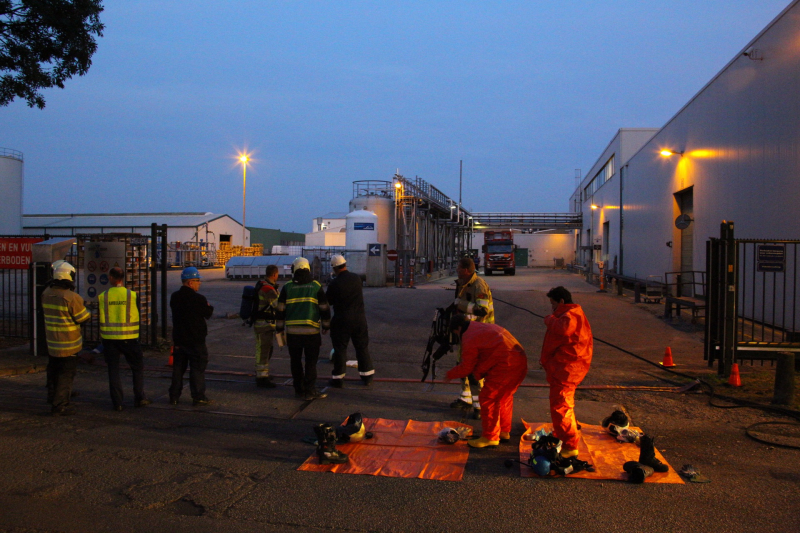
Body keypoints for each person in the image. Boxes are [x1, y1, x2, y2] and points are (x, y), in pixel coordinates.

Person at [445, 314, 528, 448]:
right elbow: (489, 354)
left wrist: (450, 374)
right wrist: (477, 374)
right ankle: (503, 431)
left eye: (456, 333)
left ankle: (490, 437)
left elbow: (467, 366)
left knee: (488, 398)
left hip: (505, 365)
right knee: (504, 397)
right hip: (518, 360)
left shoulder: (469, 337)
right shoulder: (479, 327)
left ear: (458, 328)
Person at [540, 286, 593, 467]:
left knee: (561, 406)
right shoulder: (572, 313)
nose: (551, 308)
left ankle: (570, 445)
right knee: (562, 404)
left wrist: (548, 319)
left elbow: (561, 329)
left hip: (566, 370)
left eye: (553, 304)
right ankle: (563, 435)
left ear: (561, 302)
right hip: (566, 368)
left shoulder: (567, 317)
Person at [276, 257, 331, 401]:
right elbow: (324, 308)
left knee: (295, 362)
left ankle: (299, 390)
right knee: (311, 363)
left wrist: (279, 330)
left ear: (294, 269)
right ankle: (310, 390)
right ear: (308, 269)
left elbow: (280, 310)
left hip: (293, 334)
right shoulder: (316, 286)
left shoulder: (287, 287)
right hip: (311, 334)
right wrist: (325, 326)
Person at [98, 267, 150, 411]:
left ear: (111, 278)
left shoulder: (103, 296)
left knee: (113, 370)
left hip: (110, 339)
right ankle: (139, 397)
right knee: (137, 368)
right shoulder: (132, 295)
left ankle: (117, 403)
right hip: (129, 337)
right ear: (122, 278)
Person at [42, 261, 90, 416]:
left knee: (53, 371)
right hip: (68, 344)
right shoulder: (71, 297)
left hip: (52, 342)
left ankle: (53, 395)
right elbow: (82, 318)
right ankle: (60, 404)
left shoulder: (46, 293)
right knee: (66, 374)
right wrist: (88, 310)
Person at [450, 256, 494, 420]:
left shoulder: (478, 285)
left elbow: (482, 310)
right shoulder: (465, 284)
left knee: (475, 371)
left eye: (459, 267)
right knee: (462, 364)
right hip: (468, 333)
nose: (456, 270)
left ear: (467, 270)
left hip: (480, 334)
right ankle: (466, 398)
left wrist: (460, 304)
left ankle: (480, 407)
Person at [326, 254, 374, 388]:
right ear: (345, 264)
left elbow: (328, 301)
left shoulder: (334, 283)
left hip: (341, 320)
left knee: (340, 349)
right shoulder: (356, 278)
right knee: (362, 347)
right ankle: (367, 376)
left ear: (334, 268)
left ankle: (338, 378)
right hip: (359, 319)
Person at [169, 267, 214, 406]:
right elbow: (208, 312)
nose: (199, 283)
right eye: (197, 280)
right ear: (190, 282)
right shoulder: (199, 299)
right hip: (196, 340)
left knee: (178, 369)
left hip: (179, 339)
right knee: (197, 369)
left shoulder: (174, 297)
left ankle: (174, 396)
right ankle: (198, 396)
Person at [253, 265, 280, 388]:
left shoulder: (262, 285)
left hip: (262, 323)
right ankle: (262, 378)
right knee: (264, 350)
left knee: (266, 349)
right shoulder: (268, 289)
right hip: (265, 325)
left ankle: (263, 374)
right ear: (274, 274)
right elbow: (277, 306)